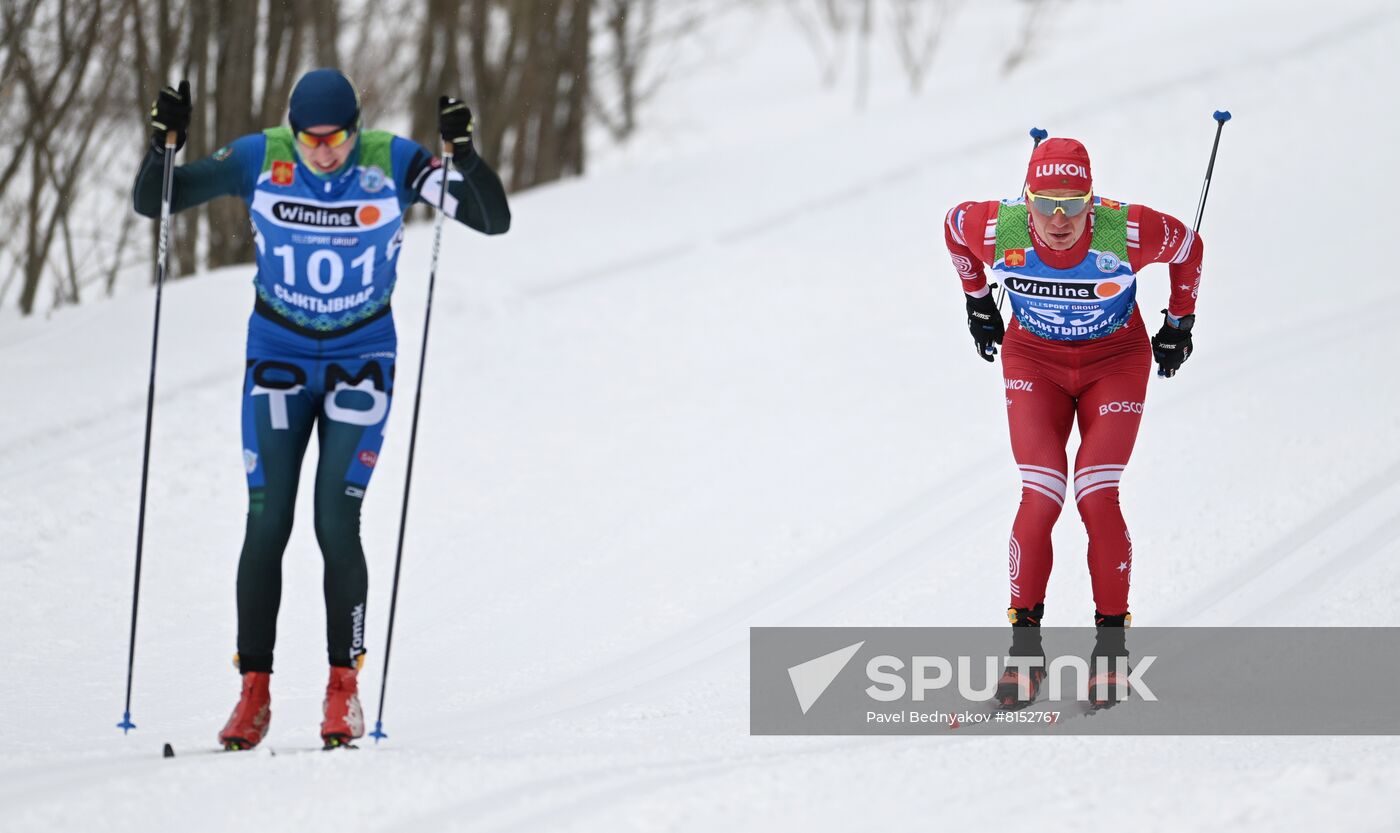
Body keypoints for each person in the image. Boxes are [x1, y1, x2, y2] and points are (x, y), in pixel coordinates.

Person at [133, 68, 511, 749]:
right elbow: (155, 202)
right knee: (265, 520)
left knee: (335, 520)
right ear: (293, 131)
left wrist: (465, 156)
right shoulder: (261, 156)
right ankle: (253, 692)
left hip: (360, 359)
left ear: (355, 127)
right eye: (311, 140)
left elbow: (492, 219)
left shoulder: (389, 161)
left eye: (336, 138)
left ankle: (344, 690)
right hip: (277, 356)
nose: (324, 153)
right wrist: (165, 146)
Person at [943, 137, 1201, 706]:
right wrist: (977, 300)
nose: (1059, 220)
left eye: (1074, 204)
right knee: (1041, 493)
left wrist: (1180, 321)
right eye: (1044, 204)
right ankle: (1024, 652)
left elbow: (1189, 246)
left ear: (1092, 199)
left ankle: (1111, 651)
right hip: (1034, 362)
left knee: (1094, 491)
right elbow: (953, 228)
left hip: (1115, 363)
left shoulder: (1126, 230)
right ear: (1026, 198)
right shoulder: (997, 228)